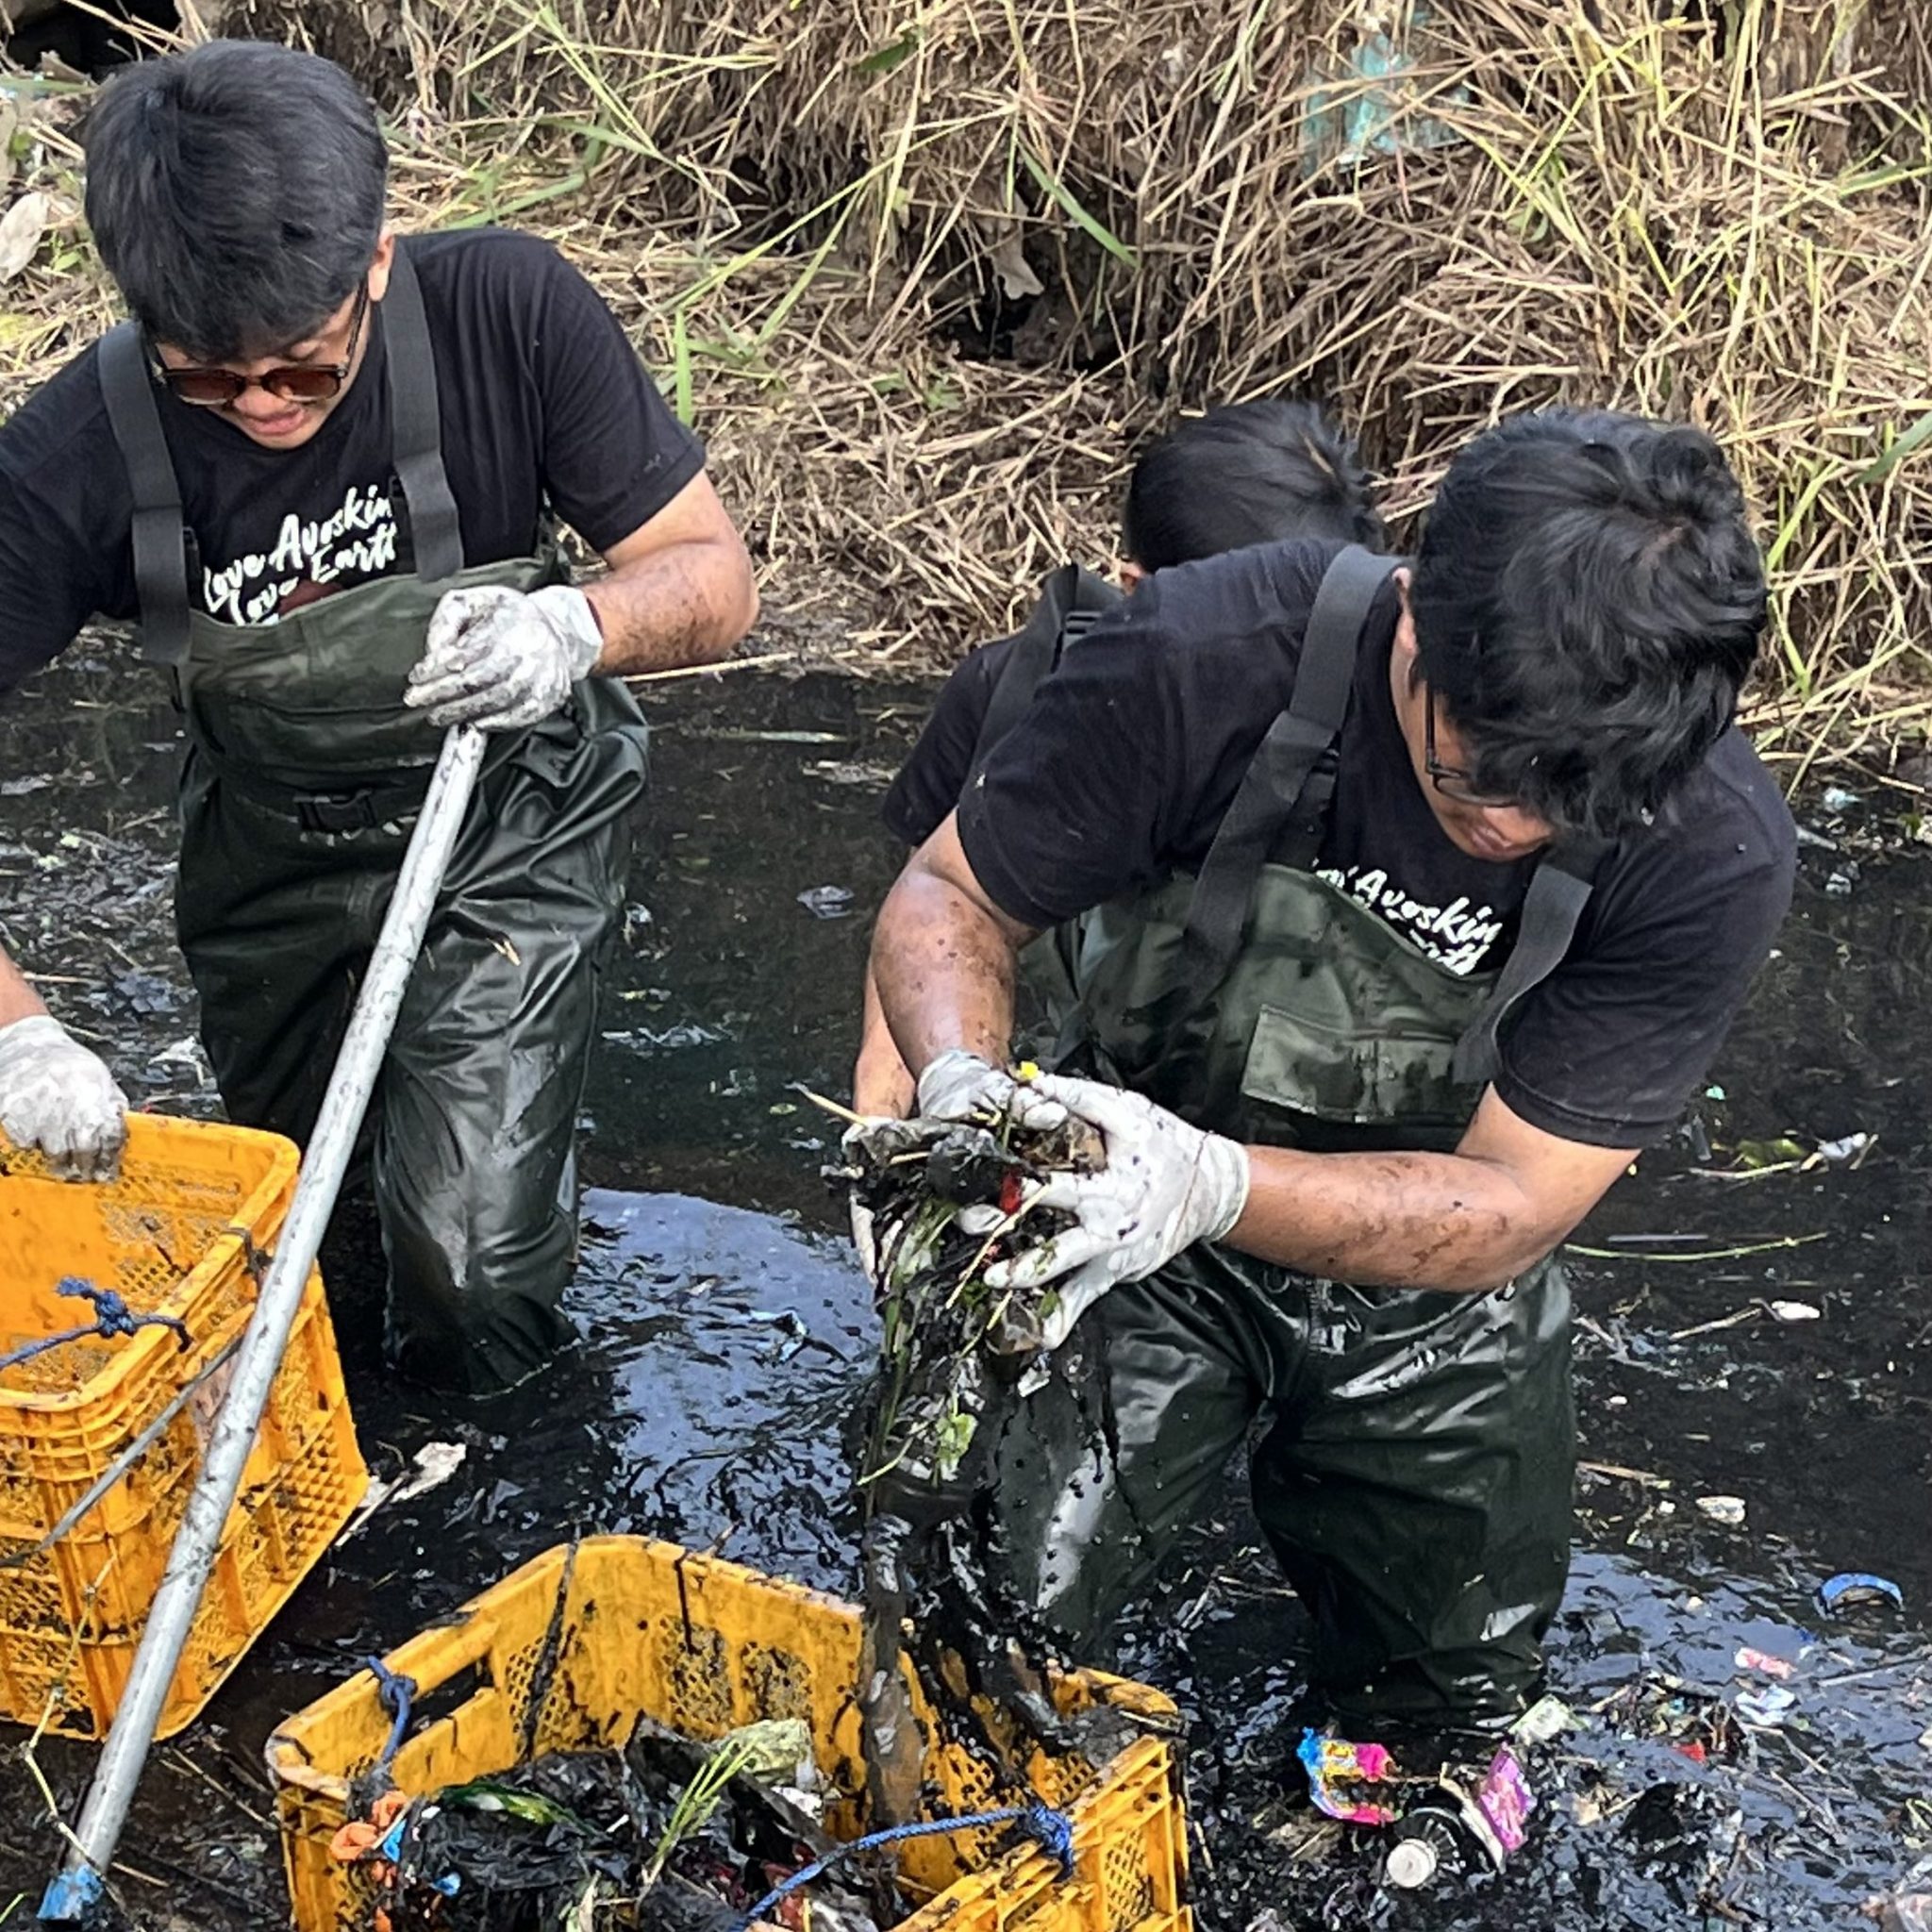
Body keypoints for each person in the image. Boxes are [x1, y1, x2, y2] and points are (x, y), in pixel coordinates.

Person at [865, 408, 1796, 1730]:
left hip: (1432, 1268)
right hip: (1112, 1193)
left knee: (1444, 1710)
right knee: (972, 1634)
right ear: (1414, 622)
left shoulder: (1712, 844)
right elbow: (951, 895)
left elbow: (1511, 1207)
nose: (1515, 826)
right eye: (1476, 778)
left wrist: (1215, 1185)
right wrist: (960, 1092)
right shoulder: (1203, 653)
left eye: (1569, 802)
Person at [0, 42, 757, 1394]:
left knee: (466, 1264)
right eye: (210, 383)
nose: (266, 413)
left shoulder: (506, 310)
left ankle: (509, 1490)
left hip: (507, 816)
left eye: (303, 369)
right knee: (310, 1255)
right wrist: (19, 1032)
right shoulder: (71, 454)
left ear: (377, 266)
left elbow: (710, 576)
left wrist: (578, 627)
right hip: (272, 856)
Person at [854, 400, 1385, 1118]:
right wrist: (888, 1129)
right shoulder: (1012, 694)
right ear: (1140, 596)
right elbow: (928, 918)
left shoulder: (1410, 737)